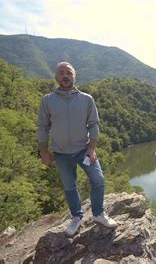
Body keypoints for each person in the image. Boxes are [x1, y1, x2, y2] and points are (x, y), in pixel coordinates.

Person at [37, 62, 117, 237]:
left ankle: (98, 214)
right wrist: (43, 151)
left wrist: (92, 147)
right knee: (69, 186)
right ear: (56, 77)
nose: (65, 76)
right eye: (61, 73)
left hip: (83, 149)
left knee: (98, 180)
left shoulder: (86, 99)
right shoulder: (48, 100)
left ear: (74, 77)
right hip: (61, 153)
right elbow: (43, 126)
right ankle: (76, 217)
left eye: (69, 73)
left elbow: (94, 124)